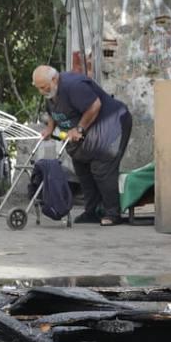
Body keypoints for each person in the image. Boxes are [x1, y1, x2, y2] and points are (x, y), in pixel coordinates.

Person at [33, 65, 132, 226]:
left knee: (102, 167)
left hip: (113, 122)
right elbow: (53, 112)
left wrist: (79, 128)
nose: (42, 92)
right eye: (39, 88)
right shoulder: (50, 90)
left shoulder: (74, 85)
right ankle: (91, 211)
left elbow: (94, 106)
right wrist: (49, 129)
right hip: (91, 128)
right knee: (81, 167)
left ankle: (113, 213)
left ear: (54, 79)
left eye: (43, 87)